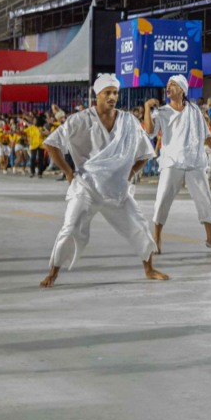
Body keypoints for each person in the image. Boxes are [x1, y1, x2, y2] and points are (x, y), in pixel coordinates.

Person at [39, 74, 168, 288]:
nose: (112, 97)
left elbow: (145, 153)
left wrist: (130, 173)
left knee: (139, 226)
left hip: (117, 190)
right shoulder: (81, 119)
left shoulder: (128, 121)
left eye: (115, 93)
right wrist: (69, 172)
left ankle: (149, 269)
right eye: (107, 93)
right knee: (70, 228)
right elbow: (51, 143)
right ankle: (53, 273)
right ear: (96, 95)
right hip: (87, 187)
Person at [145, 75, 211, 254]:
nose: (169, 87)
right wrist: (147, 108)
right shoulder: (162, 111)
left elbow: (206, 136)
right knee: (162, 201)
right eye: (168, 85)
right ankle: (157, 237)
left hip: (194, 162)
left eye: (173, 84)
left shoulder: (195, 111)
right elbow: (150, 133)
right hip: (172, 162)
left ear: (182, 90)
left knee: (205, 200)